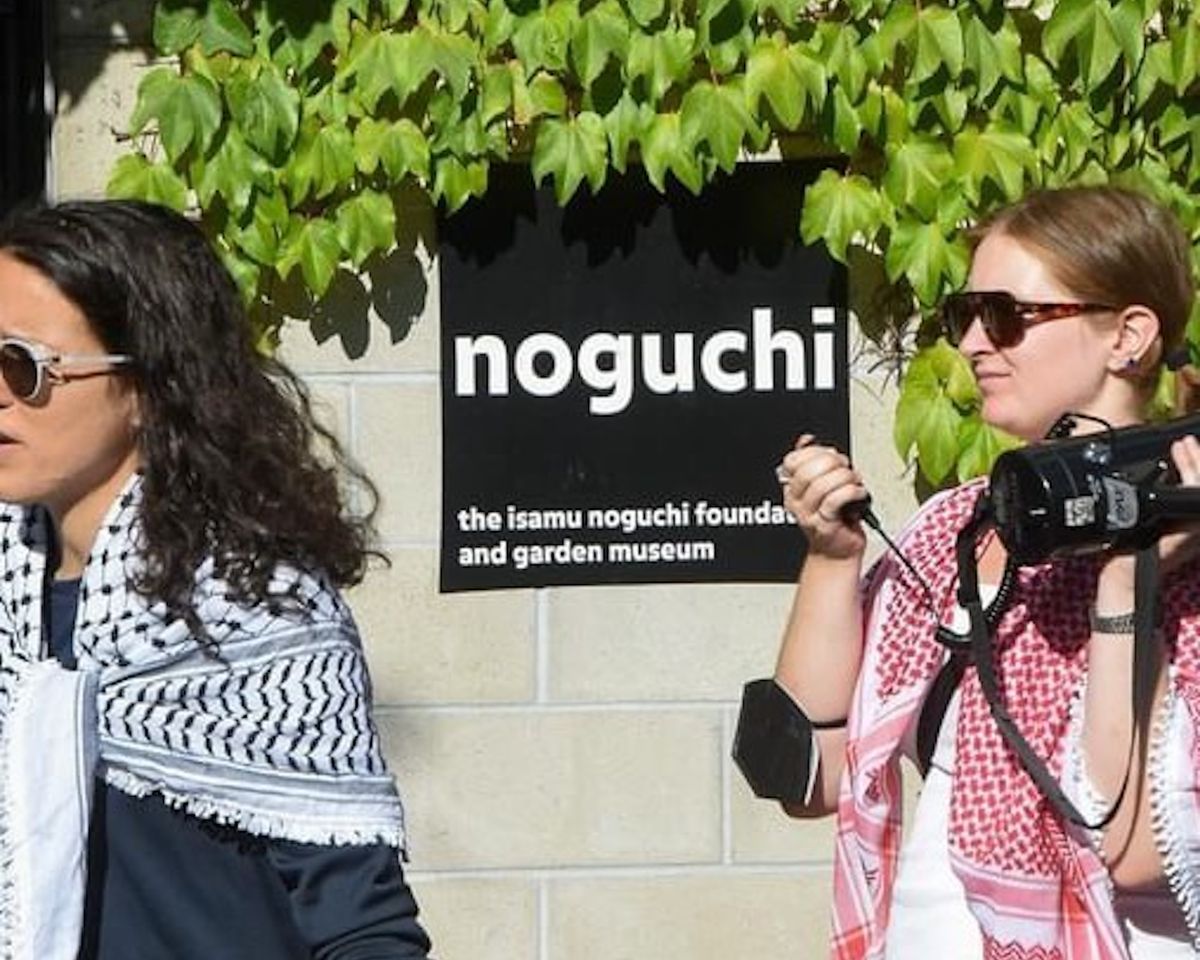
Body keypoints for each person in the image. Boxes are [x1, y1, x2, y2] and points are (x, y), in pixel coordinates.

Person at [768, 185, 1200, 958]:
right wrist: (831, 557)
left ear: (1128, 335)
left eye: (1005, 316)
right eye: (963, 315)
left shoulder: (1189, 548)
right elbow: (813, 776)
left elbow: (1137, 848)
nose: (972, 343)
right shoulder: (954, 529)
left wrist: (1125, 584)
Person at [0, 199, 433, 959]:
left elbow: (362, 924)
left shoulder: (260, 608)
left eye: (22, 366)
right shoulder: (15, 610)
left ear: (145, 386)